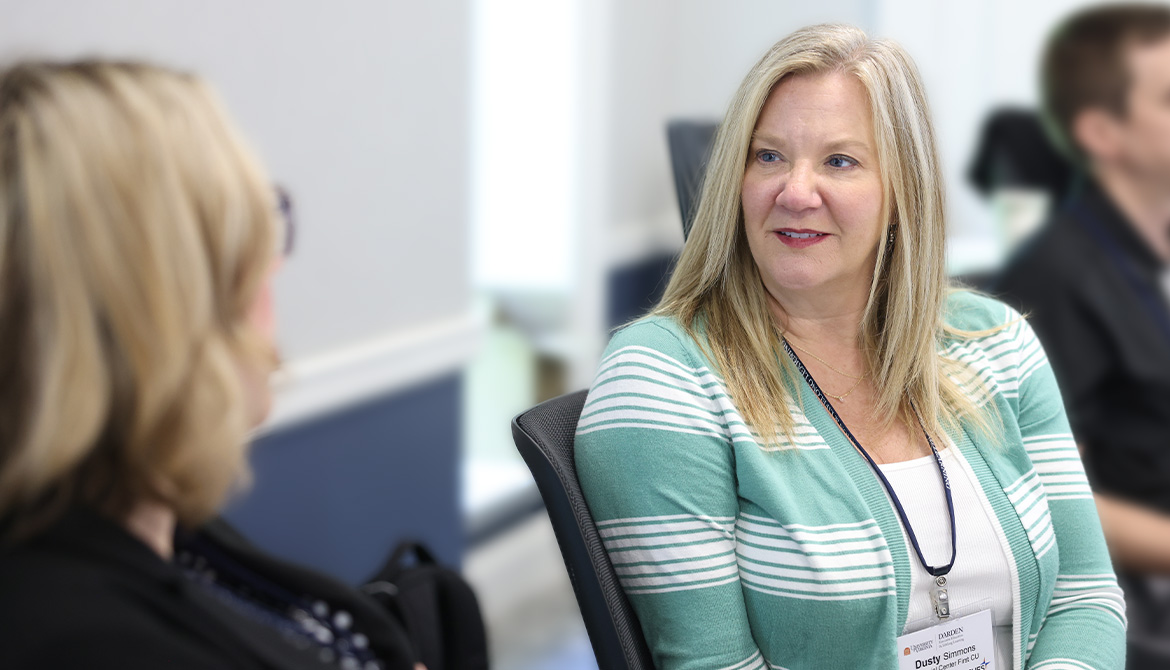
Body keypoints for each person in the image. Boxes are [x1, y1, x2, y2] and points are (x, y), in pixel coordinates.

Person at [575, 24, 1125, 669]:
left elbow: (1083, 597)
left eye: (840, 161)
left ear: (901, 192)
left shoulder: (995, 343)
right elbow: (713, 664)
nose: (796, 192)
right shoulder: (663, 378)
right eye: (768, 156)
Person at [0, 61, 419, 670]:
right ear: (161, 311)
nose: (275, 270)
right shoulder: (87, 641)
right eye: (252, 238)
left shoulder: (146, 518)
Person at [993, 3, 1170, 658]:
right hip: (1140, 599)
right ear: (1102, 131)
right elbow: (1055, 500)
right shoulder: (1058, 280)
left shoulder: (1149, 260)